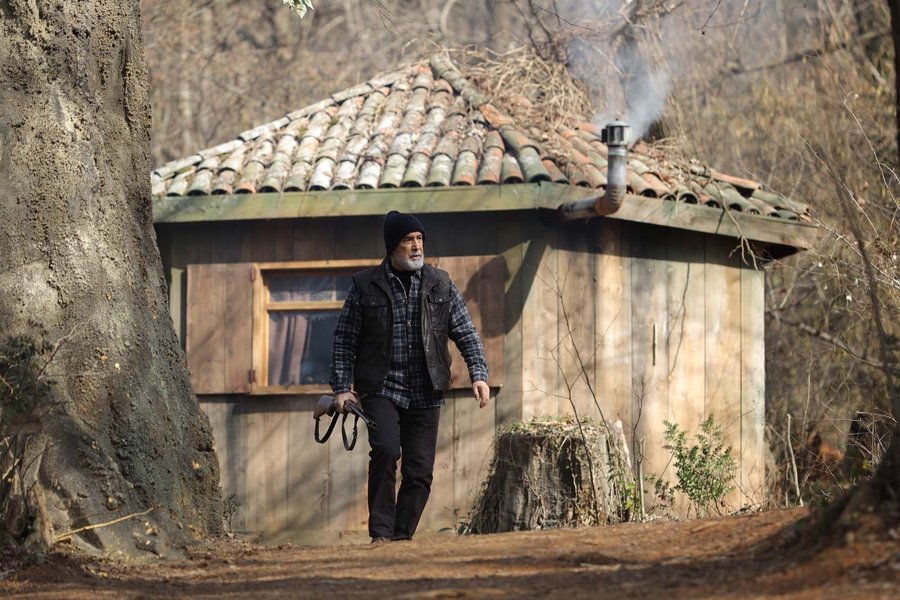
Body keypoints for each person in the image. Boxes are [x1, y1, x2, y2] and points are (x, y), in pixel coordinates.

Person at [329, 210, 490, 544]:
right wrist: (342, 388)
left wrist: (479, 373)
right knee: (386, 451)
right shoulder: (365, 285)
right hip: (381, 387)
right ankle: (381, 536)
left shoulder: (441, 283)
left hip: (426, 389)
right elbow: (345, 340)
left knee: (420, 472)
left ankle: (401, 539)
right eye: (408, 240)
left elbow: (466, 332)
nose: (417, 246)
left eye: (420, 239)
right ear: (393, 246)